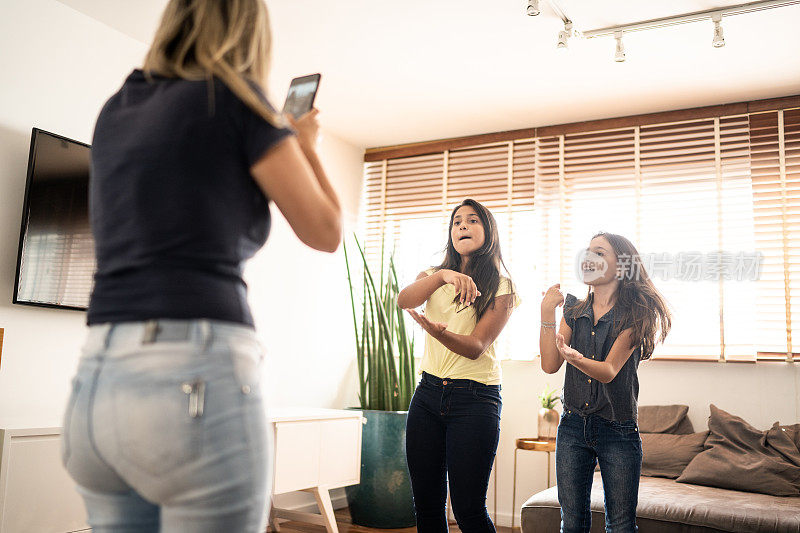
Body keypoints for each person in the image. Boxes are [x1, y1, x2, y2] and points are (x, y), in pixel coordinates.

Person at [60, 1, 342, 531]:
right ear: (249, 32)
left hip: (97, 383)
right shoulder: (237, 98)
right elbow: (325, 231)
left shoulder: (117, 107)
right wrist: (307, 146)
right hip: (192, 380)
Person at [397, 198, 520, 532]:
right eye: (457, 222)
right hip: (427, 395)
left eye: (473, 220)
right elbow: (403, 300)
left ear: (488, 231)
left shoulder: (502, 286)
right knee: (426, 507)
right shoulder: (433, 276)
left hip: (475, 400)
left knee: (468, 510)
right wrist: (443, 277)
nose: (463, 226)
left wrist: (438, 333)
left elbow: (476, 347)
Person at [540, 232, 671, 533]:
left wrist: (574, 357)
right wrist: (547, 313)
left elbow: (609, 370)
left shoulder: (636, 315)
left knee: (621, 525)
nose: (588, 257)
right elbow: (549, 365)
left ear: (622, 267)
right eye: (587, 251)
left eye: (599, 252)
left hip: (619, 430)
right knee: (572, 523)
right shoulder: (572, 310)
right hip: (573, 426)